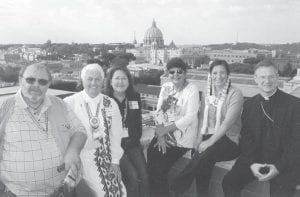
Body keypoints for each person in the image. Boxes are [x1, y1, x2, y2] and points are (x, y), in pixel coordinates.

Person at [0, 62, 87, 196]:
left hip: (59, 191)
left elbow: (80, 130)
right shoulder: (4, 107)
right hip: (16, 193)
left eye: (42, 82)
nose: (36, 86)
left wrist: (73, 151)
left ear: (48, 84)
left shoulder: (60, 104)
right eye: (30, 80)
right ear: (20, 80)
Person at [222, 59, 300, 197]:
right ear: (255, 79)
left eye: (271, 76)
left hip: (285, 163)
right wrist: (252, 164)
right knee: (229, 182)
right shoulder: (249, 105)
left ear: (277, 78)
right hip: (255, 159)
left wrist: (278, 167)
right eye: (262, 77)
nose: (267, 81)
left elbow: (296, 143)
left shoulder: (294, 105)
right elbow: (246, 138)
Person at [170, 60, 243, 196]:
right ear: (210, 75)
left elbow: (227, 123)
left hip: (230, 140)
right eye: (215, 73)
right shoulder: (207, 92)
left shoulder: (235, 93)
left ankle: (178, 186)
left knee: (204, 154)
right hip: (208, 134)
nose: (218, 76)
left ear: (228, 74)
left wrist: (209, 142)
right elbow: (202, 117)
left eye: (222, 73)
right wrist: (199, 138)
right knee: (202, 159)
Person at [64, 63, 127, 197]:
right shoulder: (70, 102)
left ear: (103, 81)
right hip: (81, 158)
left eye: (98, 79)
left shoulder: (110, 103)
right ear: (82, 80)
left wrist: (115, 162)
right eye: (90, 79)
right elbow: (61, 133)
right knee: (101, 193)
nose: (94, 83)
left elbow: (116, 135)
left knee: (121, 193)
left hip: (106, 157)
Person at [147, 57, 200, 197]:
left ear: (185, 73)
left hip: (181, 139)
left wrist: (165, 130)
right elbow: (159, 111)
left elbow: (190, 117)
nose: (175, 75)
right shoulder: (166, 87)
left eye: (179, 71)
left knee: (160, 170)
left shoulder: (192, 89)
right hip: (164, 134)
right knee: (151, 157)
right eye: (172, 72)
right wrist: (161, 135)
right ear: (167, 73)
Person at [103, 66, 149, 197]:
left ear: (129, 81)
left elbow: (138, 121)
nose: (120, 82)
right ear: (110, 81)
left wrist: (134, 140)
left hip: (132, 144)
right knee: (133, 178)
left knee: (145, 177)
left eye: (124, 78)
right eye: (117, 78)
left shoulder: (134, 96)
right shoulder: (104, 99)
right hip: (115, 147)